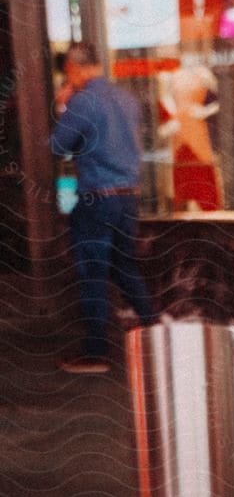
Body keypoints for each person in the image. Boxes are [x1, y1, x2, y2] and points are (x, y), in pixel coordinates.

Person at [50, 40, 156, 376]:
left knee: (92, 271)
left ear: (75, 67)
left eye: (69, 72)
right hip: (128, 195)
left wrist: (62, 107)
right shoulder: (126, 98)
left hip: (97, 197)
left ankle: (95, 352)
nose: (70, 79)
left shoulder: (82, 102)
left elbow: (56, 146)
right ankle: (156, 333)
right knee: (125, 267)